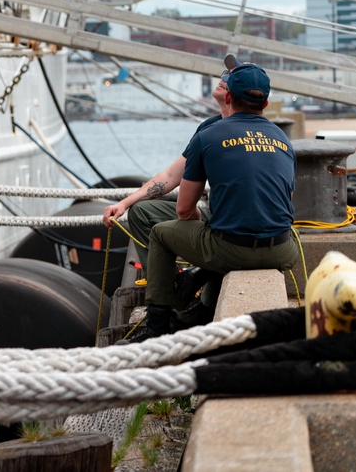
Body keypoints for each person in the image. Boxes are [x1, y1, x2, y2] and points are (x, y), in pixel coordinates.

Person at [128, 59, 299, 342]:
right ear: (266, 105)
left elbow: (183, 210)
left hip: (234, 249)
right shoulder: (281, 138)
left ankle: (157, 327)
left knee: (161, 234)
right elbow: (284, 203)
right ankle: (199, 300)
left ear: (229, 97)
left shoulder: (208, 136)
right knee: (221, 227)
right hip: (283, 250)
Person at [102, 61, 234, 269]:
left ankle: (166, 290)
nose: (223, 77)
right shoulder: (208, 127)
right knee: (141, 211)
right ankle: (168, 280)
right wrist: (124, 203)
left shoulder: (228, 131)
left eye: (230, 76)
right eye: (224, 72)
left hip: (230, 229)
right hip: (216, 220)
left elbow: (185, 209)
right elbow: (171, 176)